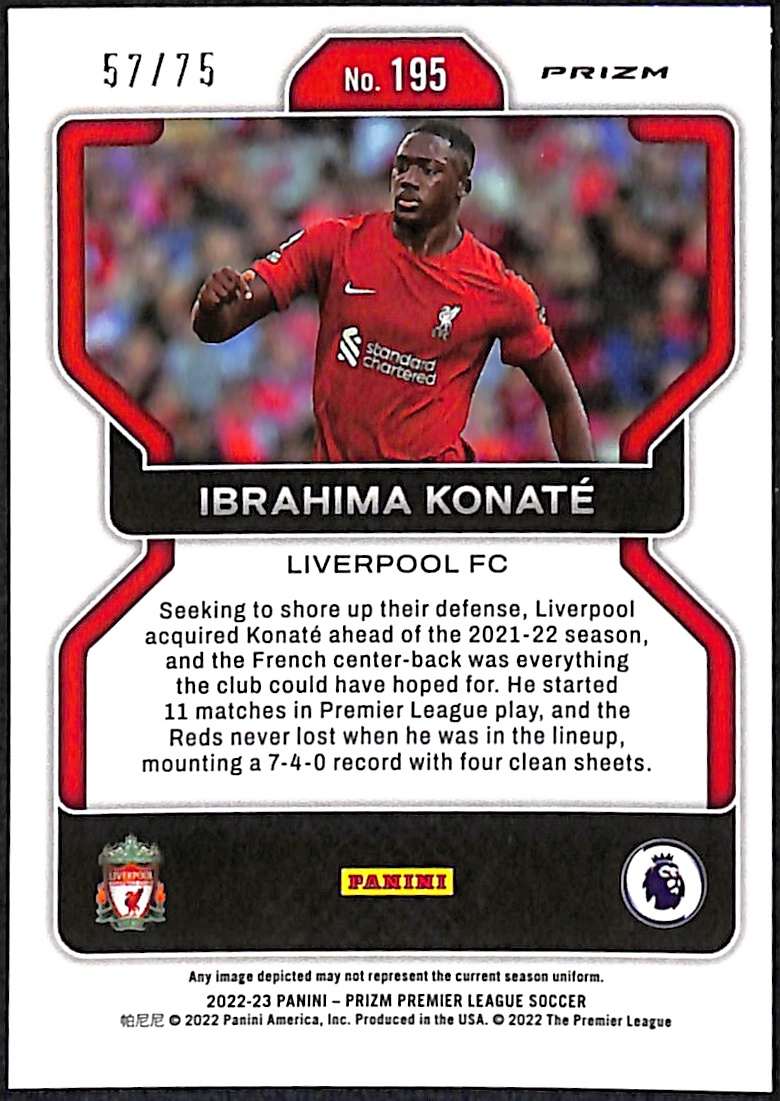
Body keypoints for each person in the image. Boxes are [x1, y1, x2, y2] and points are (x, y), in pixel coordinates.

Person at [192, 121, 594, 463]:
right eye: (401, 167)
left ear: (462, 186)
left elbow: (561, 397)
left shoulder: (496, 288)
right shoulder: (336, 243)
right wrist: (211, 306)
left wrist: (589, 499)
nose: (408, 180)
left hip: (432, 500)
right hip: (340, 497)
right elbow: (219, 327)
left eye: (428, 170)